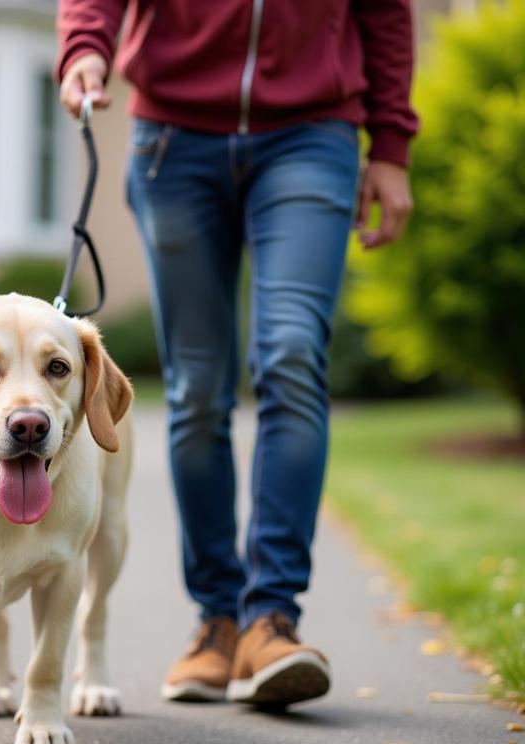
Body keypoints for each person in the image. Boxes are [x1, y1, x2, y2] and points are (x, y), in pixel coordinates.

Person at [55, 1, 417, 707]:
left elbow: (385, 11)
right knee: (196, 387)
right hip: (173, 137)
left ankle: (271, 619)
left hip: (312, 134)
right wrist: (85, 48)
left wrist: (393, 146)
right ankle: (216, 623)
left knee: (289, 355)